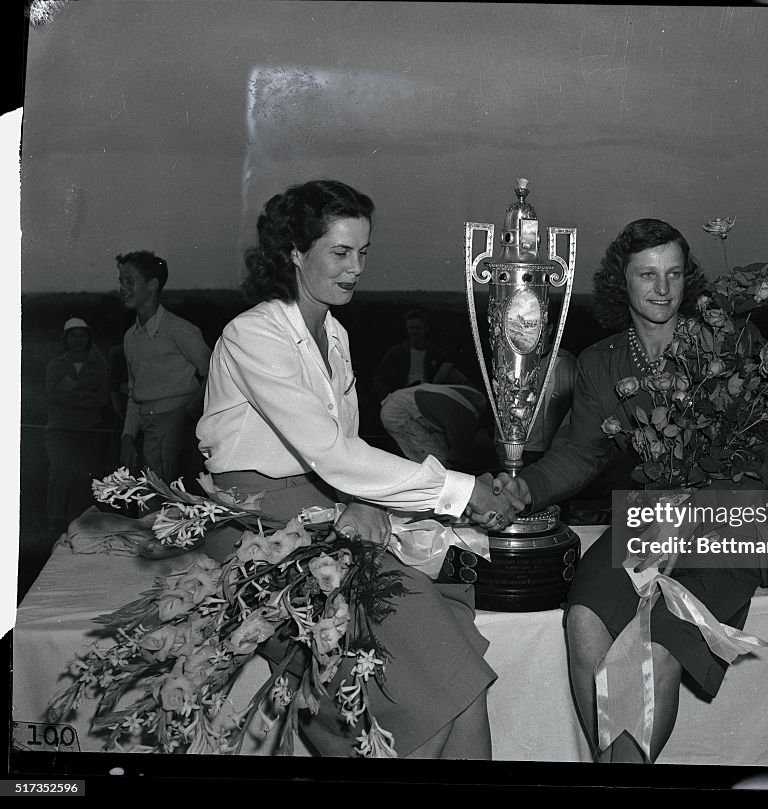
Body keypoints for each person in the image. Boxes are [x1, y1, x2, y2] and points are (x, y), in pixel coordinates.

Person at [196, 179, 521, 759]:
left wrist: (365, 502)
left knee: (464, 686)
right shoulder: (254, 333)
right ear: (294, 253)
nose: (355, 269)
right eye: (340, 253)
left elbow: (343, 459)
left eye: (362, 253)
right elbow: (333, 454)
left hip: (325, 512)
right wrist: (459, 490)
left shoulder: (336, 334)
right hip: (259, 525)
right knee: (435, 687)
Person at [493, 219, 768, 763]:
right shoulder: (603, 361)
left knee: (660, 640)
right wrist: (523, 487)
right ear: (620, 284)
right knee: (583, 621)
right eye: (647, 275)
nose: (663, 289)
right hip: (647, 520)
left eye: (674, 274)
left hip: (734, 520)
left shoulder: (734, 342)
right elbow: (581, 452)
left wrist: (698, 514)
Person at [117, 250, 211, 484]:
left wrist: (186, 417)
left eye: (130, 281)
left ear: (152, 284)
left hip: (183, 431)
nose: (123, 289)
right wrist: (127, 436)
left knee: (181, 505)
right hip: (148, 433)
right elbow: (133, 393)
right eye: (121, 281)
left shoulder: (180, 330)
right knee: (150, 507)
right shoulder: (130, 337)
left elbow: (215, 375)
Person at [375, 309, 486, 470]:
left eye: (417, 328)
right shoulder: (397, 352)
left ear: (426, 329)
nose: (414, 332)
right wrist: (386, 398)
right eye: (410, 328)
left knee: (435, 451)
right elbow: (380, 377)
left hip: (428, 403)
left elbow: (447, 375)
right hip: (404, 400)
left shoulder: (436, 353)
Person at [44, 318, 109, 535]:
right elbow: (54, 394)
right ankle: (55, 520)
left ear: (88, 338)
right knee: (60, 471)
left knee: (85, 474)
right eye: (73, 335)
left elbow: (101, 398)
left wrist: (72, 395)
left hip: (89, 428)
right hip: (60, 429)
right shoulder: (56, 365)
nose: (78, 340)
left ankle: (80, 520)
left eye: (82, 335)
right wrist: (85, 395)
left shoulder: (98, 365)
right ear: (66, 339)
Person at [521, 316, 576, 466]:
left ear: (550, 329)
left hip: (550, 452)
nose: (533, 332)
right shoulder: (517, 361)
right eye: (528, 326)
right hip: (518, 449)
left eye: (538, 326)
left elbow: (575, 410)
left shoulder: (564, 361)